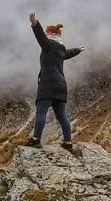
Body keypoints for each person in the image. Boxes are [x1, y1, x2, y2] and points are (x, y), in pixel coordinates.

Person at [26, 12, 85, 150]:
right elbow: (69, 53)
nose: (45, 34)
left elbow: (39, 36)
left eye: (47, 32)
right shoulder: (61, 48)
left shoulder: (48, 45)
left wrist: (34, 23)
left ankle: (35, 139)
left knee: (41, 112)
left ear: (50, 32)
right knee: (62, 116)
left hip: (47, 84)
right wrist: (78, 50)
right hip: (61, 87)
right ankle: (68, 142)